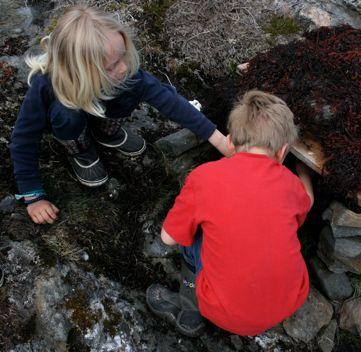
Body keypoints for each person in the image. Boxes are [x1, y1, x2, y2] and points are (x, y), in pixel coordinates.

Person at [9, 5, 230, 225]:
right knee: (66, 114)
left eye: (123, 56)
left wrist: (219, 139)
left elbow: (170, 101)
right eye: (112, 65)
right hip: (70, 120)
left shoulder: (125, 74)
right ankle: (81, 150)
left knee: (130, 86)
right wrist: (33, 197)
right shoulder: (45, 86)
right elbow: (23, 140)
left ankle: (106, 132)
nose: (123, 67)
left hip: (100, 107)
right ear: (79, 71)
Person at [146, 90, 314, 337]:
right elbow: (307, 203)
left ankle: (190, 308)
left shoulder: (204, 178)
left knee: (191, 237)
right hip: (289, 300)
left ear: (231, 142)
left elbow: (168, 238)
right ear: (282, 151)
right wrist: (305, 176)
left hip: (223, 310)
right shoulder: (292, 185)